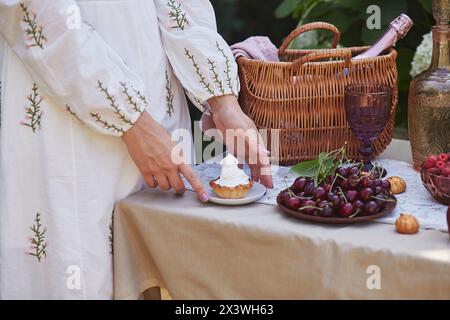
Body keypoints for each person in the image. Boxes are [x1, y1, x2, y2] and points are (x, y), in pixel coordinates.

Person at [0, 0, 272, 299]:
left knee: (163, 271)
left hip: (161, 113)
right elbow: (37, 12)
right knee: (85, 269)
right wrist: (132, 123)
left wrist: (223, 101)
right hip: (72, 127)